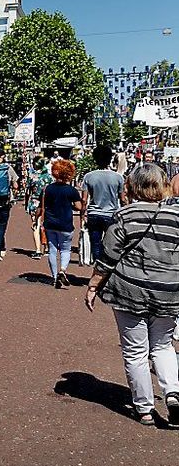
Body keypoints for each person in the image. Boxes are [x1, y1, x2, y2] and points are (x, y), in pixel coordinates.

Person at [86, 164, 179, 426]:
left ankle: (144, 408)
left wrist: (93, 285)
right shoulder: (175, 215)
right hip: (168, 290)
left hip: (130, 291)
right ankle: (173, 392)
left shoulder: (125, 215)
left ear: (133, 186)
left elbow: (108, 255)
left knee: (135, 350)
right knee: (162, 345)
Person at [36, 159, 81, 288]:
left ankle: (55, 277)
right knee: (65, 250)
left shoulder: (48, 189)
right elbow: (78, 206)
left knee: (52, 250)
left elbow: (41, 205)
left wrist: (36, 218)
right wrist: (70, 206)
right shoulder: (71, 190)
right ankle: (62, 270)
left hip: (50, 223)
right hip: (65, 224)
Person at [81, 145, 126, 264]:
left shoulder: (88, 176)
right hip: (111, 214)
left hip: (94, 213)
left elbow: (84, 200)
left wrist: (82, 215)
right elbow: (123, 199)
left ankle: (97, 266)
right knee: (111, 243)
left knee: (95, 243)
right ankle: (107, 268)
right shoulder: (118, 178)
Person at [26, 157, 52, 259]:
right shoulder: (49, 177)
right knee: (46, 224)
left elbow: (28, 192)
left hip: (34, 201)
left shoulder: (33, 177)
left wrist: (26, 201)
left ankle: (38, 250)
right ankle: (46, 248)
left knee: (35, 225)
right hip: (47, 202)